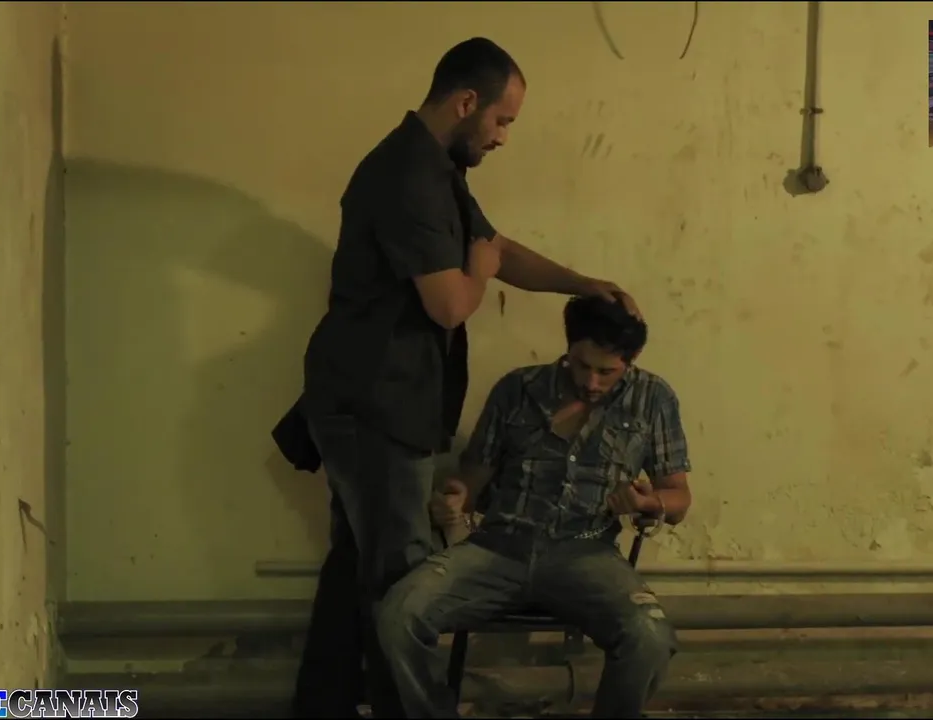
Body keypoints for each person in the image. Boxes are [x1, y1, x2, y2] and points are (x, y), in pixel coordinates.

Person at [273, 37, 642, 719]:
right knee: (403, 586)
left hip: (379, 400)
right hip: (375, 405)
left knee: (358, 566)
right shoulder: (406, 175)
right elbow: (450, 302)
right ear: (467, 102)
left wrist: (581, 283)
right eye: (502, 120)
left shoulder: (437, 167)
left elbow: (495, 250)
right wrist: (478, 266)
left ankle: (322, 705)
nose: (503, 137)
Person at [377, 296, 693, 719]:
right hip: (497, 547)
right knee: (397, 616)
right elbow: (471, 478)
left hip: (586, 553)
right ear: (568, 348)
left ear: (630, 361)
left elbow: (678, 498)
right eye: (582, 365)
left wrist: (647, 502)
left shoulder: (653, 398)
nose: (592, 382)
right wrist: (454, 496)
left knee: (650, 637)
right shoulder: (519, 388)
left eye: (606, 372)